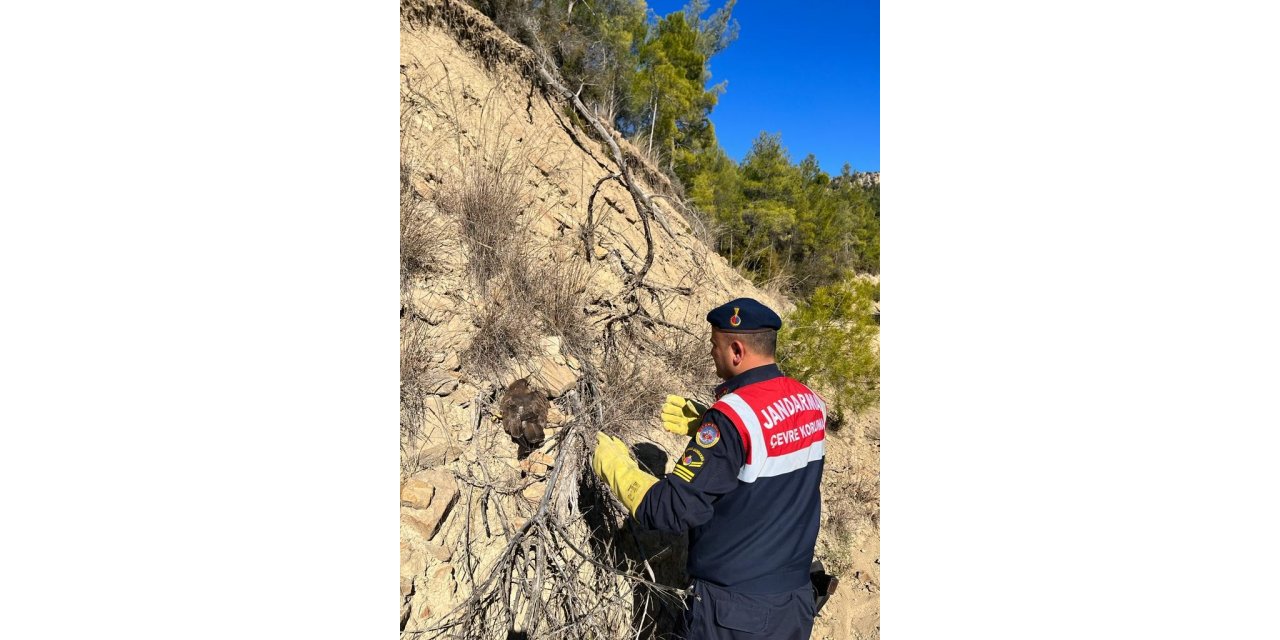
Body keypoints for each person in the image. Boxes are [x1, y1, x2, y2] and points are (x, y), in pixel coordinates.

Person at [592, 297, 828, 639]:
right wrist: (712, 430)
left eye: (714, 344)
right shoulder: (809, 401)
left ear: (736, 350)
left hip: (735, 614)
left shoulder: (731, 417)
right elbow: (771, 457)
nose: (710, 353)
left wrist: (616, 468)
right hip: (794, 601)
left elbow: (671, 509)